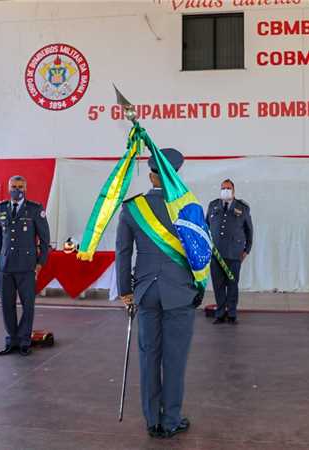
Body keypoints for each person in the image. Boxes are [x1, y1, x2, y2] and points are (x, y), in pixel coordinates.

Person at [116, 148, 196, 439]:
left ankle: (153, 420)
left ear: (151, 175)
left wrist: (126, 291)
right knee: (174, 358)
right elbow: (201, 254)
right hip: (179, 293)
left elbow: (123, 254)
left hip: (146, 291)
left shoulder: (132, 208)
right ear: (175, 175)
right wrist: (197, 287)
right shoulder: (188, 206)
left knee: (149, 355)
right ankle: (171, 419)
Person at [0, 175, 50, 357]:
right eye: (13, 186)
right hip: (5, 266)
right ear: (8, 187)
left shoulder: (35, 209)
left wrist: (40, 263)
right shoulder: (0, 208)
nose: (16, 189)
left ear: (25, 189)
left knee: (28, 305)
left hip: (27, 266)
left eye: (20, 186)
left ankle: (25, 340)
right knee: (6, 305)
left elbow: (44, 239)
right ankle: (12, 340)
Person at [205, 179, 253, 324]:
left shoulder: (242, 207)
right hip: (216, 254)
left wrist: (246, 250)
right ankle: (220, 313)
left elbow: (249, 230)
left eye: (228, 188)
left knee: (232, 284)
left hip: (234, 254)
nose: (225, 190)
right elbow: (206, 228)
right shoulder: (213, 205)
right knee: (218, 285)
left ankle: (231, 314)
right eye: (223, 188)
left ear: (233, 190)